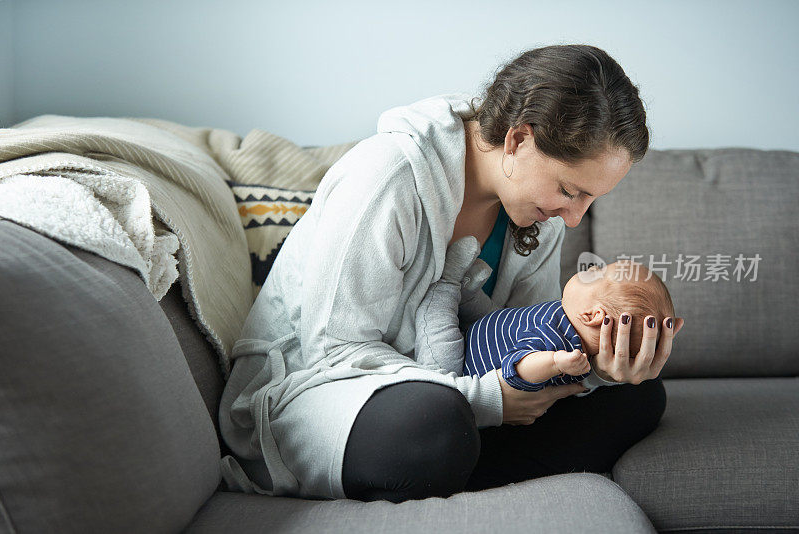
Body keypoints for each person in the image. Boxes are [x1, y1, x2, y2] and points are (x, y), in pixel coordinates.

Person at [218, 44, 685, 503]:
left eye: (589, 199)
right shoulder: (387, 175)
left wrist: (594, 367)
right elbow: (335, 348)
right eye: (569, 190)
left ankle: (438, 467)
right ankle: (444, 456)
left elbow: (529, 339)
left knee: (637, 398)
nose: (574, 218)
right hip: (320, 391)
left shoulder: (538, 216)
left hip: (459, 396)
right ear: (519, 139)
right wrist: (485, 400)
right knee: (434, 425)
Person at [416, 257, 676, 395]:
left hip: (460, 365)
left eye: (596, 274)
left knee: (439, 324)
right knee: (494, 312)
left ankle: (446, 284)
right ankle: (468, 292)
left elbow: (515, 370)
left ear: (592, 315)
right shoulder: (564, 315)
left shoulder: (558, 344)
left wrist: (554, 363)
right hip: (486, 330)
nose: (594, 266)